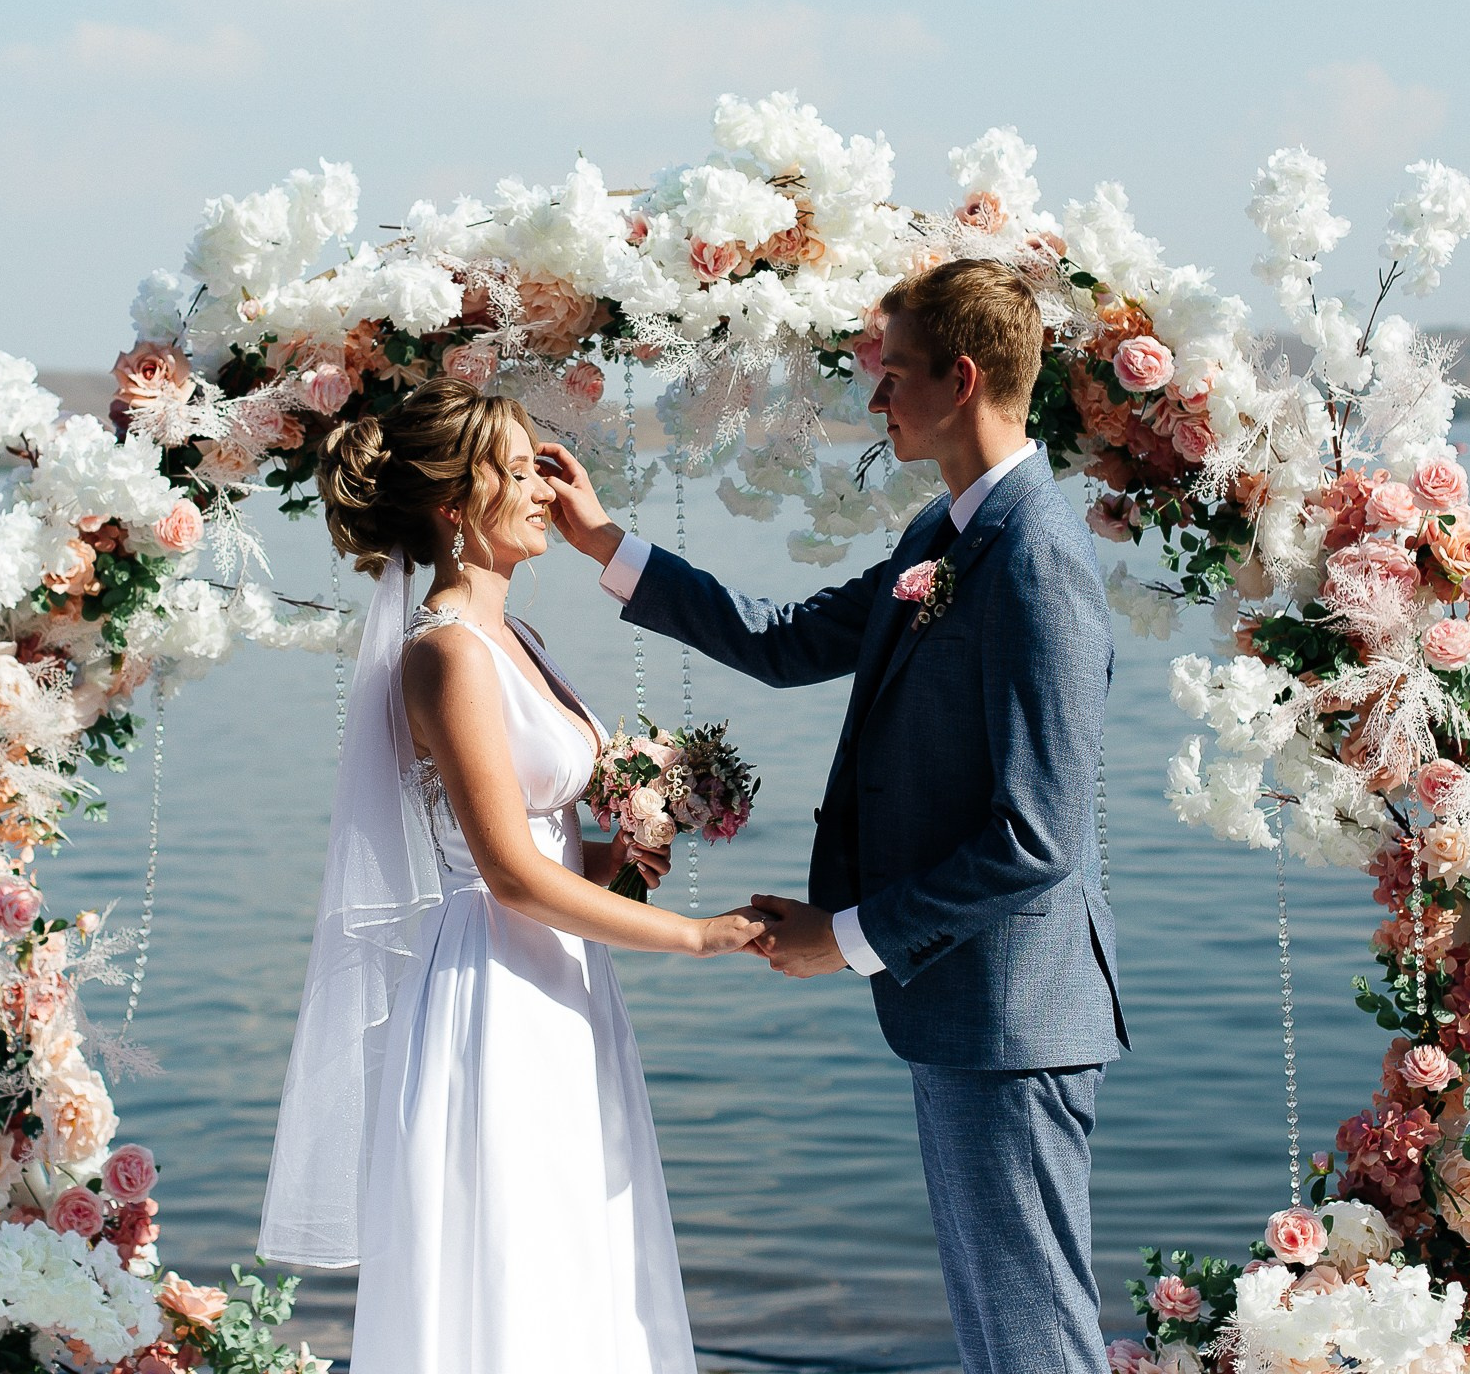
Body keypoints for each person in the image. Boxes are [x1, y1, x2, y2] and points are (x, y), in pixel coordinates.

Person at [541, 258, 1127, 1374]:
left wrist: (844, 939)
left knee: (1035, 1334)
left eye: (892, 375)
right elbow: (784, 637)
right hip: (964, 1006)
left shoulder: (1037, 556)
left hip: (1011, 1013)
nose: (875, 401)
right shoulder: (942, 540)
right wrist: (605, 543)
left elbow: (1038, 842)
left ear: (960, 379)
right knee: (1000, 1330)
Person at [259, 377, 771, 1374]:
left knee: (583, 1251)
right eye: (520, 467)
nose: (546, 485)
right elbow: (507, 873)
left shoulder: (517, 641)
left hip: (565, 982)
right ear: (454, 506)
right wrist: (702, 935)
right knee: (514, 1258)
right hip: (488, 989)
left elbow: (550, 854)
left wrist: (617, 854)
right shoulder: (445, 655)